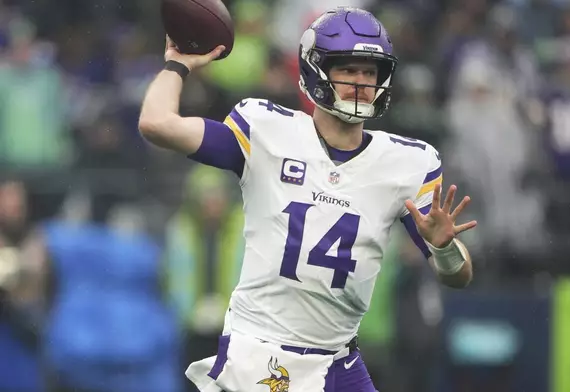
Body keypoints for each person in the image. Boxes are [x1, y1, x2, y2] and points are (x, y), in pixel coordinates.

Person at [139, 7, 477, 392]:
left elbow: (458, 277)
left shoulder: (408, 163)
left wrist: (444, 247)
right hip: (262, 352)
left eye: (370, 72)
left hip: (338, 359)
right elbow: (156, 124)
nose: (361, 83)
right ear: (316, 71)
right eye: (348, 70)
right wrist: (177, 65)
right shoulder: (267, 131)